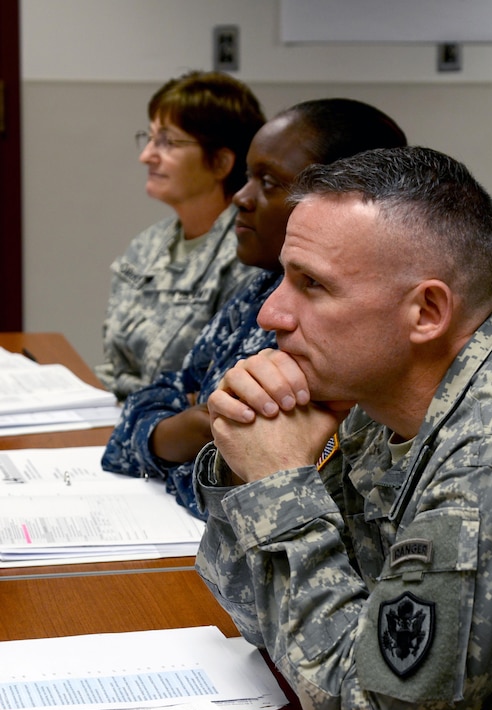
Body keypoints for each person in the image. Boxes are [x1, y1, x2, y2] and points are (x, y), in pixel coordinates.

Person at [194, 146, 492, 710]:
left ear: (425, 313)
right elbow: (271, 615)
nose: (271, 313)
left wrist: (278, 485)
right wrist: (246, 464)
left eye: (311, 285)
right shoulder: (383, 405)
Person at [101, 98, 408, 518]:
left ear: (344, 201)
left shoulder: (350, 327)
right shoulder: (259, 289)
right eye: (249, 176)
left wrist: (196, 431)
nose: (240, 198)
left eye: (268, 182)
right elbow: (137, 421)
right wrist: (206, 424)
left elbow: (244, 503)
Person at [95, 70, 266, 399]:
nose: (146, 155)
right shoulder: (148, 245)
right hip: (121, 419)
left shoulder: (246, 258)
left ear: (220, 162)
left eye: (168, 142)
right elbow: (114, 364)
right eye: (148, 138)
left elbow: (212, 392)